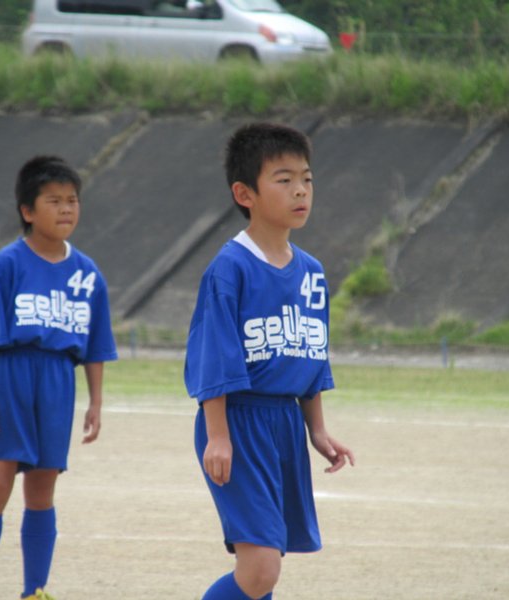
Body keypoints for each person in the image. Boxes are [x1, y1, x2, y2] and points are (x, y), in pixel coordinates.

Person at [184, 122, 355, 600]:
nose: (300, 190)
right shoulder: (230, 268)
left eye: (307, 179)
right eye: (284, 180)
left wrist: (317, 429)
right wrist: (218, 434)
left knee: (267, 562)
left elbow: (311, 354)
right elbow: (213, 357)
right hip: (237, 421)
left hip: (284, 423)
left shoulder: (312, 272)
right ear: (245, 193)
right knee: (260, 568)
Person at [0, 155, 118, 600]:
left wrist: (95, 402)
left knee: (42, 489)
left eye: (72, 200)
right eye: (54, 201)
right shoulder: (6, 265)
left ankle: (35, 589)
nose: (66, 209)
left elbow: (95, 346)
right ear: (28, 211)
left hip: (57, 381)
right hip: (12, 376)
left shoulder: (88, 274)